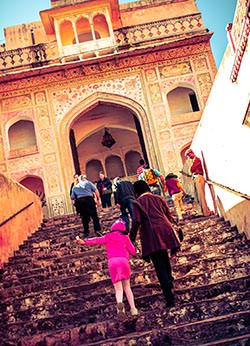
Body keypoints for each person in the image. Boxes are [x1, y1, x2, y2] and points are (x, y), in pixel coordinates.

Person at [130, 180, 180, 308]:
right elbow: (168, 214)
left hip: (151, 234)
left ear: (136, 192)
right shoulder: (158, 198)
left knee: (159, 265)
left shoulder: (137, 203)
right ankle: (170, 282)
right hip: (165, 229)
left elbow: (136, 221)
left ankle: (169, 298)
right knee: (164, 258)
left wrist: (131, 238)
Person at [76, 218, 138, 316]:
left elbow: (96, 240)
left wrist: (84, 241)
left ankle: (120, 305)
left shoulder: (108, 236)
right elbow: (133, 251)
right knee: (127, 286)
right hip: (123, 261)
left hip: (113, 262)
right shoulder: (125, 237)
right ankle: (133, 309)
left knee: (118, 289)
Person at [185, 149, 210, 216]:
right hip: (196, 178)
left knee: (201, 196)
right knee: (199, 196)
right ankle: (202, 211)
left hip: (199, 177)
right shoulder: (193, 160)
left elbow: (192, 169)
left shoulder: (197, 160)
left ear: (192, 153)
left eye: (189, 155)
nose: (189, 157)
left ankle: (206, 212)